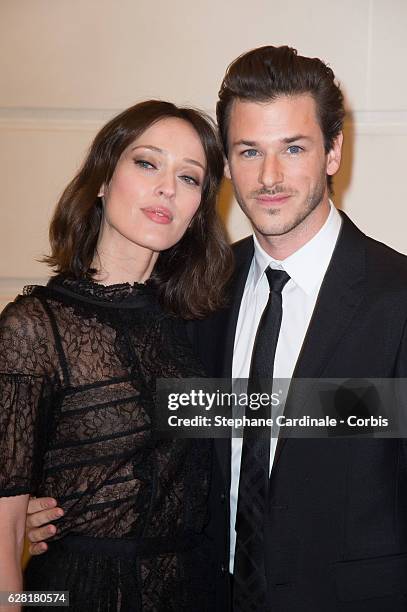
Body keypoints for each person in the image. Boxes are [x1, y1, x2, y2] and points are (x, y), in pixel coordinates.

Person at [27, 45, 407, 611]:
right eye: (249, 150)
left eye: (294, 148)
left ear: (333, 152)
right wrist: (56, 502)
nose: (270, 176)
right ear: (227, 164)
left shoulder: (396, 296)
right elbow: (149, 439)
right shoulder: (192, 297)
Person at [0, 99, 233, 611]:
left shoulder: (201, 324)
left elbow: (276, 411)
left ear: (198, 209)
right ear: (103, 180)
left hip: (196, 591)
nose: (167, 187)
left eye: (189, 178)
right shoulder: (33, 326)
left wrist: (380, 407)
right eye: (147, 163)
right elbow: (5, 532)